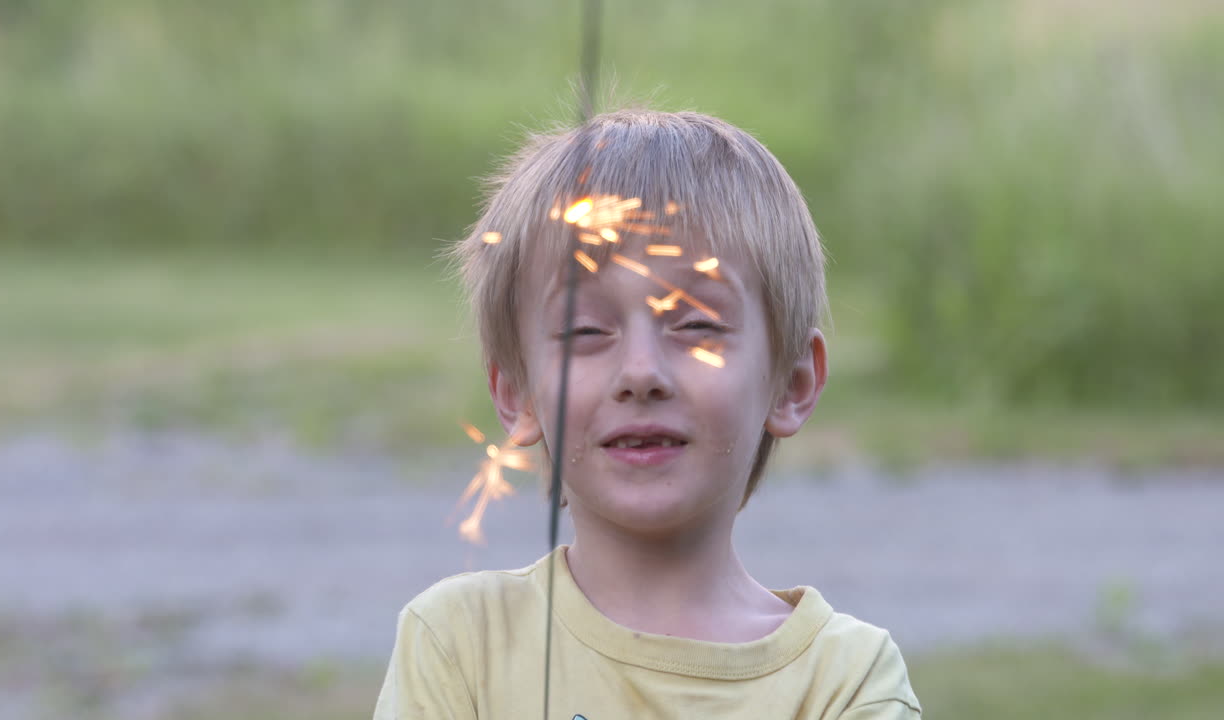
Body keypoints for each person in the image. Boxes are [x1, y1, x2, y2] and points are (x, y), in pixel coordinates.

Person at [374, 109, 921, 719]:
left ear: (791, 384)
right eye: (584, 328)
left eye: (695, 325)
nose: (640, 373)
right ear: (518, 393)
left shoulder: (847, 680)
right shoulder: (459, 644)